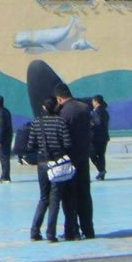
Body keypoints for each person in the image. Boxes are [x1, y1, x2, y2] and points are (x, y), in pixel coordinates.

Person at [25, 97, 73, 242]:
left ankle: (34, 231)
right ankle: (51, 234)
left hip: (42, 163)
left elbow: (30, 145)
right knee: (55, 199)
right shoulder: (60, 122)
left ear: (44, 108)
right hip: (57, 164)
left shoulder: (36, 123)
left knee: (43, 198)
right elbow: (67, 143)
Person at [55, 82, 94, 240]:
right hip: (83, 156)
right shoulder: (85, 108)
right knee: (84, 194)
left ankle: (72, 231)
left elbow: (62, 136)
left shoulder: (62, 112)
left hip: (68, 159)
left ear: (59, 98)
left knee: (69, 196)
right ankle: (88, 229)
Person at [90, 95, 110, 180]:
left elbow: (98, 123)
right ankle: (102, 174)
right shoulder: (105, 111)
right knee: (101, 155)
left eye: (92, 101)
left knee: (92, 154)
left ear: (95, 101)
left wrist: (91, 126)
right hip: (104, 137)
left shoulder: (96, 112)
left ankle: (101, 170)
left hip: (96, 137)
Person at [0, 94, 13, 183]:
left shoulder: (0, 113)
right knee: (5, 157)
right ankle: (4, 175)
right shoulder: (6, 111)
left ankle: (5, 177)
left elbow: (0, 127)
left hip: (3, 139)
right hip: (8, 137)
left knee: (4, 157)